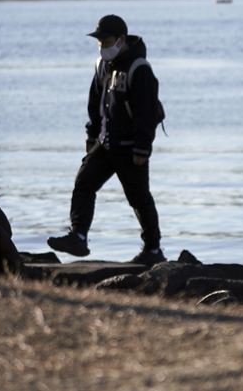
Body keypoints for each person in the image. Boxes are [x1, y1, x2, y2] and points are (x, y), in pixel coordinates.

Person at [47, 15, 166, 265]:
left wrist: (143, 147)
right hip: (105, 143)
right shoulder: (101, 65)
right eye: (99, 42)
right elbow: (96, 105)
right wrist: (91, 137)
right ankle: (78, 236)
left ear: (121, 40)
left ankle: (153, 249)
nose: (102, 46)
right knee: (83, 183)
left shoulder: (139, 68)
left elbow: (146, 113)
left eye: (107, 41)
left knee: (138, 198)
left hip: (131, 147)